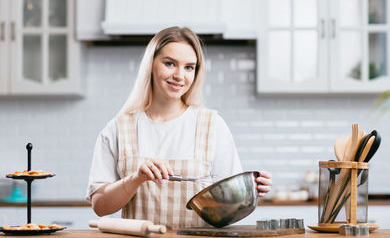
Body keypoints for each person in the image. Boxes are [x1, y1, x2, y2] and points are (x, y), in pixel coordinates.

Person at [86, 27, 272, 229]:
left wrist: (251, 192)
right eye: (169, 63)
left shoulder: (212, 125)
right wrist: (136, 179)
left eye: (189, 67)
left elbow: (229, 206)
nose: (179, 75)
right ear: (151, 65)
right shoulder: (117, 129)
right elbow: (100, 207)